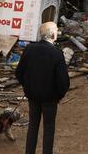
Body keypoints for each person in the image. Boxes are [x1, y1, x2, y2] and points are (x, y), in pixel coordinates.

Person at [15, 21, 69, 154]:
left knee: (33, 126)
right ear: (52, 34)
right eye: (56, 30)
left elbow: (19, 72)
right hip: (50, 99)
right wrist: (58, 96)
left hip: (32, 95)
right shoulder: (57, 54)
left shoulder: (29, 49)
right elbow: (63, 82)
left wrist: (27, 87)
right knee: (49, 128)